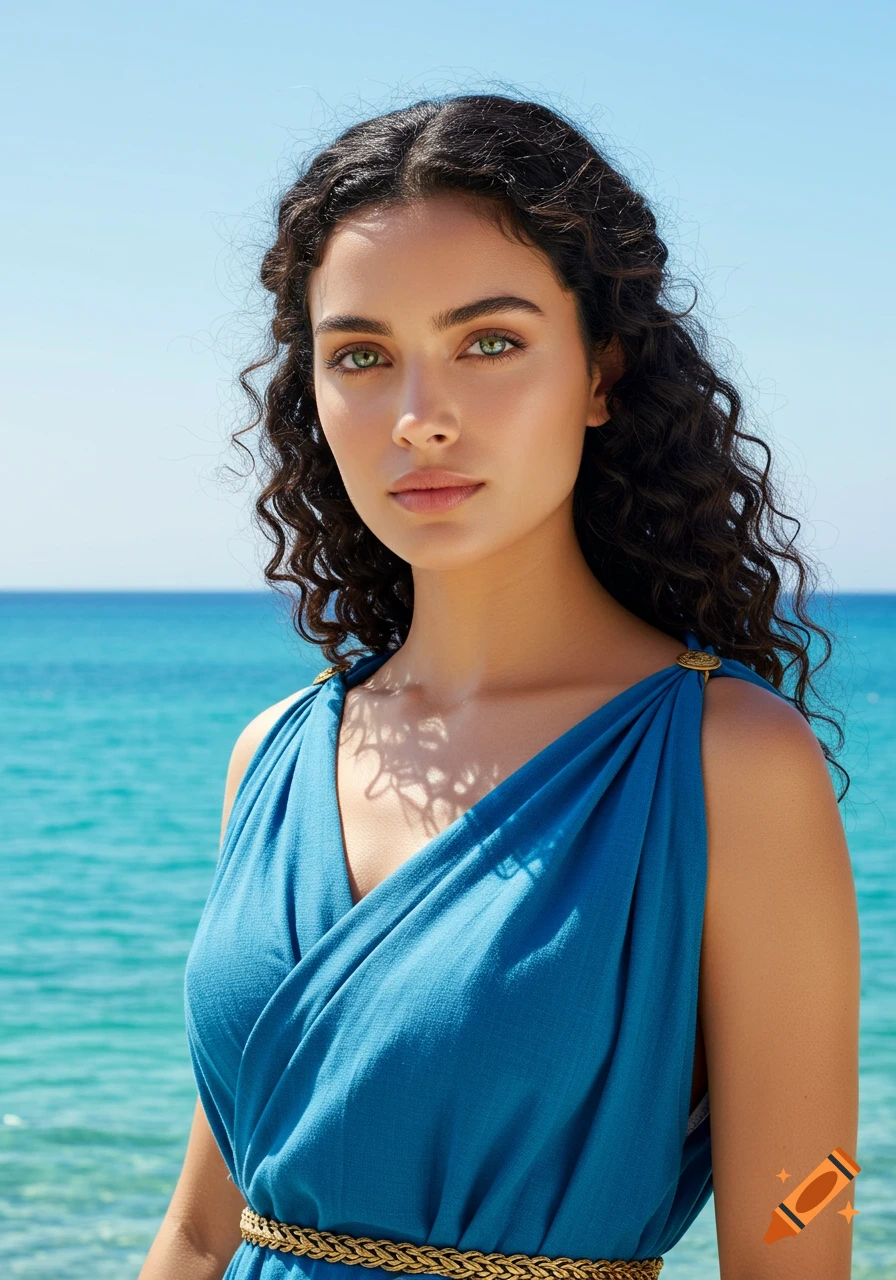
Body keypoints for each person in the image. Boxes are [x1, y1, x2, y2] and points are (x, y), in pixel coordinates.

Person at [139, 94, 860, 1280]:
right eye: (361, 356)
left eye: (487, 342)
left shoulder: (727, 757)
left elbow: (797, 1223)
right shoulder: (271, 752)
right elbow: (202, 1229)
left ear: (599, 372)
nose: (419, 418)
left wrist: (812, 1212)